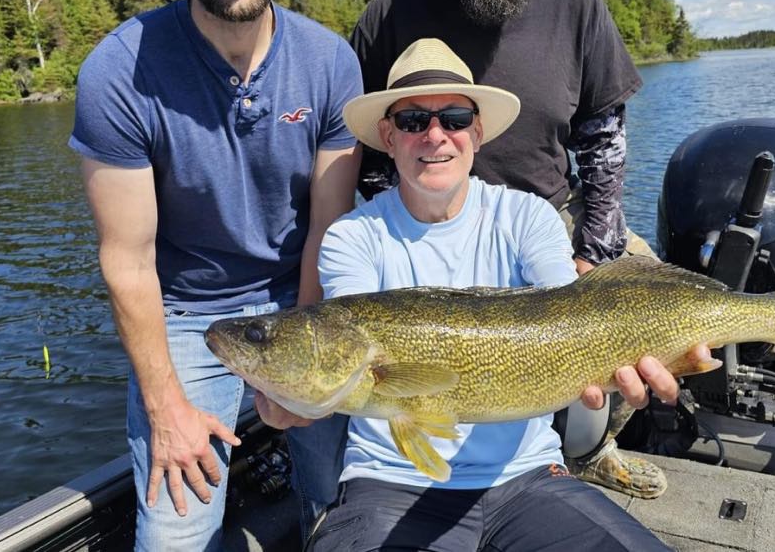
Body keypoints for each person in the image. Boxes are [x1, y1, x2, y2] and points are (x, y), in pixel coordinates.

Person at [262, 38, 682, 550]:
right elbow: (343, 346)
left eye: (455, 118)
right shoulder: (353, 237)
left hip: (530, 478)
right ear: (388, 137)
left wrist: (655, 352)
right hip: (388, 485)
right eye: (413, 120)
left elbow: (571, 310)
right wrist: (297, 398)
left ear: (477, 133)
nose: (435, 135)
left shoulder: (528, 217)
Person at [68, 0, 362, 551]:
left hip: (305, 302)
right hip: (187, 314)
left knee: (341, 499)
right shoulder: (118, 72)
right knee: (174, 534)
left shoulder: (330, 62)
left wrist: (306, 369)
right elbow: (129, 262)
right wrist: (167, 404)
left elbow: (327, 234)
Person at [349, 0, 660, 493]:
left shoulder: (575, 1)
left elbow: (604, 137)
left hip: (552, 215)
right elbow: (375, 154)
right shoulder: (390, 11)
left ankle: (592, 443)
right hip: (431, 221)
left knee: (650, 289)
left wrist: (596, 254)